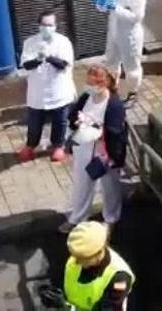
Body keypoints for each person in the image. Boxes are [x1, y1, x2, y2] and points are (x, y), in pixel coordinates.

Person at [60, 66, 128, 234]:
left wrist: (114, 156)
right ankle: (77, 218)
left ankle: (110, 219)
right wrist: (77, 123)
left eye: (91, 83)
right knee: (82, 184)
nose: (88, 86)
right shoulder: (86, 97)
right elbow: (73, 115)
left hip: (105, 152)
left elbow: (116, 133)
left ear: (102, 84)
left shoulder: (114, 105)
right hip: (84, 148)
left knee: (109, 187)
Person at [17, 10, 76, 163]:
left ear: (56, 26)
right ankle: (30, 145)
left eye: (50, 25)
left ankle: (58, 146)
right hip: (37, 92)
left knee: (60, 120)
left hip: (58, 91)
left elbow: (64, 64)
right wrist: (38, 59)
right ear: (39, 26)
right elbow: (26, 65)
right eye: (43, 25)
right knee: (34, 122)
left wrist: (49, 57)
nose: (46, 28)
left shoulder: (63, 42)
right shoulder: (30, 43)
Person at [97, 0, 147, 103]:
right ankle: (113, 89)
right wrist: (100, 3)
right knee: (111, 63)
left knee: (132, 66)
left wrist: (116, 8)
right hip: (113, 34)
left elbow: (136, 17)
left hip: (130, 36)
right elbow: (102, 4)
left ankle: (133, 92)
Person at [64, 221, 135, 311]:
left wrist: (68, 309)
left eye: (82, 258)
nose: (76, 262)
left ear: (97, 254)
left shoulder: (119, 277)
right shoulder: (76, 258)